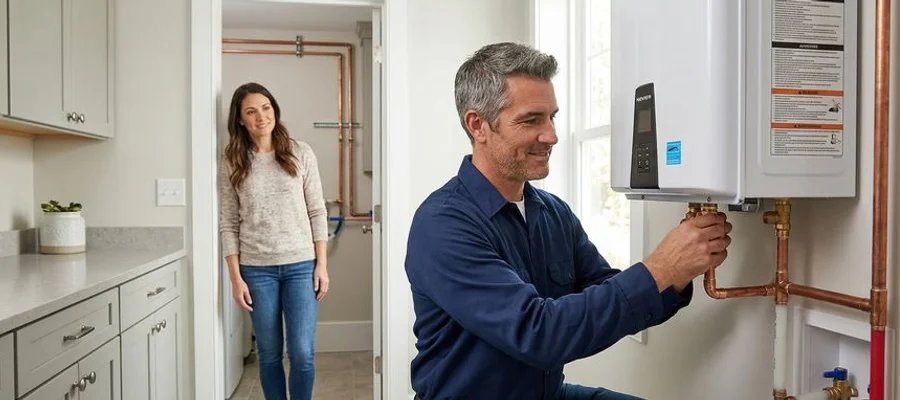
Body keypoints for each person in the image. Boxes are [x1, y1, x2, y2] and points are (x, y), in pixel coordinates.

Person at [404, 42, 733, 400]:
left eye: (552, 117)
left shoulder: (552, 213)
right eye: (531, 120)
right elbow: (539, 333)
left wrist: (679, 272)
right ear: (478, 125)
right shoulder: (442, 225)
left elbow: (610, 290)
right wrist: (661, 268)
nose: (552, 135)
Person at [218, 82, 330, 400]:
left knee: (302, 354)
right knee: (268, 355)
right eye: (251, 111)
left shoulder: (300, 152)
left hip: (301, 266)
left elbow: (317, 211)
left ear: (275, 111)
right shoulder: (232, 160)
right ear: (240, 120)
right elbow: (228, 223)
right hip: (256, 270)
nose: (261, 116)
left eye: (266, 108)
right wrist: (235, 278)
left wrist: (321, 265)